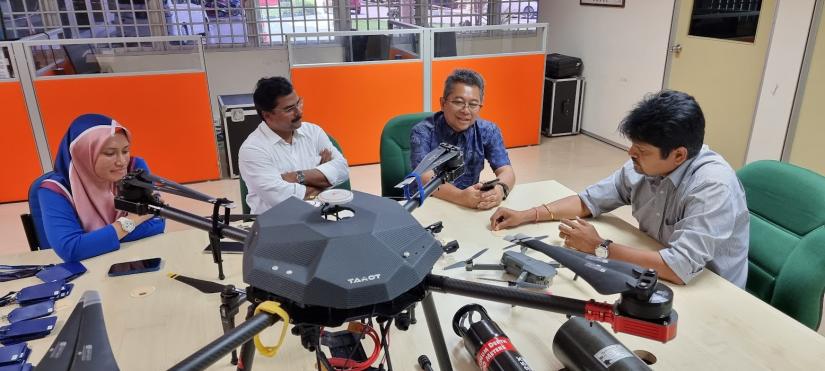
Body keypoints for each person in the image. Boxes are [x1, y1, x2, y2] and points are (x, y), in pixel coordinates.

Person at [490, 90, 749, 288]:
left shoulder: (711, 186)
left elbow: (679, 268)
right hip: (654, 267)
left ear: (679, 155)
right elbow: (589, 201)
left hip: (709, 289)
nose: (631, 153)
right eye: (633, 145)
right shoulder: (644, 167)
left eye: (642, 150)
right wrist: (526, 215)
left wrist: (599, 247)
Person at [39, 114, 165, 262]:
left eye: (125, 151)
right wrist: (133, 220)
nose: (121, 162)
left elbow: (158, 223)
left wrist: (94, 241)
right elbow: (71, 249)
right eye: (110, 153)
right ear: (83, 154)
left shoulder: (134, 168)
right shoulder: (54, 190)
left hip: (138, 257)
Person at [239, 77, 349, 214]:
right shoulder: (253, 150)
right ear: (267, 116)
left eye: (298, 103)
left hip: (321, 214)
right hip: (277, 224)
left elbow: (343, 169)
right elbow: (283, 200)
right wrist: (324, 182)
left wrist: (298, 176)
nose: (299, 112)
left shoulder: (313, 132)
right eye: (289, 109)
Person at [410, 69, 515, 210]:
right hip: (427, 204)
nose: (466, 110)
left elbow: (506, 171)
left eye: (473, 104)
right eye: (458, 102)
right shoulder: (423, 131)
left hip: (468, 206)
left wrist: (500, 190)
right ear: (443, 103)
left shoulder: (488, 131)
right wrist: (461, 197)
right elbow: (425, 178)